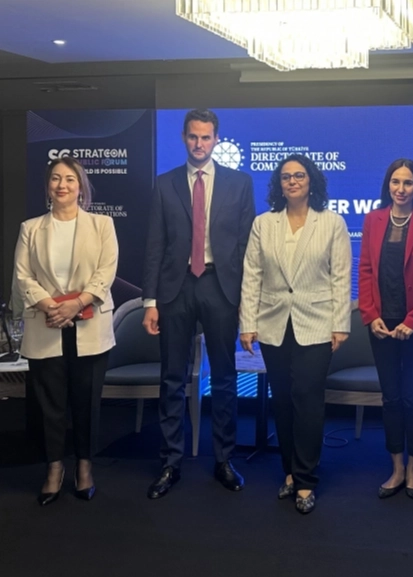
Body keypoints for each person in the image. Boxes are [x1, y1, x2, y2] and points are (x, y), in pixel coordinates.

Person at [142, 109, 255, 499]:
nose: (199, 143)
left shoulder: (240, 184)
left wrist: (246, 300)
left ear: (216, 139)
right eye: (193, 136)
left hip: (220, 286)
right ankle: (170, 462)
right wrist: (150, 301)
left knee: (224, 378)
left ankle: (224, 460)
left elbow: (246, 246)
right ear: (183, 138)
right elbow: (154, 244)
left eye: (206, 137)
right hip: (175, 290)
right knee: (172, 379)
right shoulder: (165, 183)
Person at [239, 154, 351, 515]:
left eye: (299, 175)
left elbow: (340, 276)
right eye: (286, 176)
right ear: (279, 184)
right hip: (273, 324)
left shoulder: (331, 222)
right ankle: (289, 470)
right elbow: (252, 275)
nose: (292, 181)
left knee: (308, 398)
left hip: (317, 323)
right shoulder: (263, 223)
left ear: (311, 180)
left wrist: (340, 324)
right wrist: (247, 323)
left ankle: (305, 480)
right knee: (284, 400)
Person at [14, 157, 118, 505]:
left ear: (81, 186)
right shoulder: (31, 228)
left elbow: (106, 271)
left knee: (86, 403)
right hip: (46, 325)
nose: (62, 185)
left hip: (90, 324)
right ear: (48, 186)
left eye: (70, 179)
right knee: (50, 405)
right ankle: (54, 468)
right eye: (56, 178)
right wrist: (50, 306)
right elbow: (23, 276)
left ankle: (84, 467)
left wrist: (77, 303)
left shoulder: (102, 225)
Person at [358, 159, 413, 500]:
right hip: (381, 324)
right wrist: (370, 315)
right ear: (388, 185)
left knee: (412, 395)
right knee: (391, 397)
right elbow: (365, 270)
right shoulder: (373, 220)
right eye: (396, 182)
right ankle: (395, 466)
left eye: (408, 183)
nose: (401, 189)